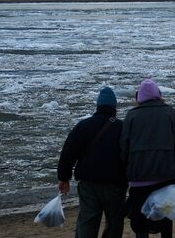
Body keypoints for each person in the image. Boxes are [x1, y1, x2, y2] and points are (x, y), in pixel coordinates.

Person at [120, 79, 175, 238]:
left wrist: (123, 174)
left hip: (139, 178)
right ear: (159, 95)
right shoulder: (170, 113)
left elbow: (123, 149)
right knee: (166, 219)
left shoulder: (132, 116)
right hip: (166, 177)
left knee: (140, 220)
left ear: (139, 97)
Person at [57, 86, 128, 238]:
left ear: (98, 105)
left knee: (87, 221)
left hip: (88, 183)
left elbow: (68, 153)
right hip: (115, 184)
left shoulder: (83, 126)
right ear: (114, 106)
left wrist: (64, 178)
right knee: (114, 222)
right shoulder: (122, 127)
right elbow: (130, 154)